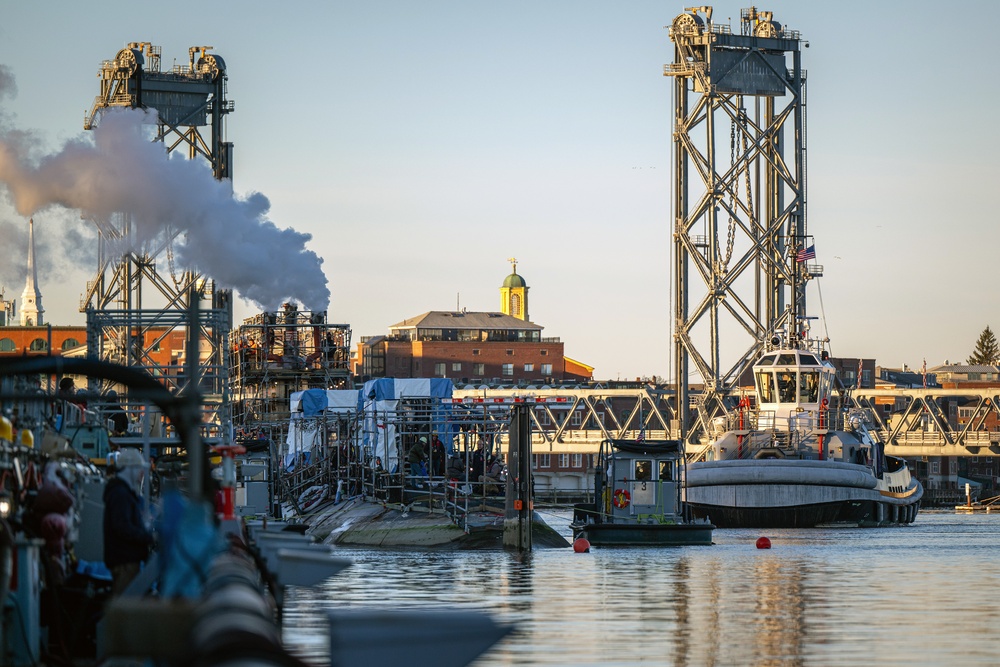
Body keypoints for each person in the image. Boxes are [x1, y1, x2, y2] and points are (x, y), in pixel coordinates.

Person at [103, 448, 155, 596]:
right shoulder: (120, 494)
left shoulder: (123, 492)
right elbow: (123, 527)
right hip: (125, 563)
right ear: (130, 469)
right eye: (139, 469)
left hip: (127, 561)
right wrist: (147, 537)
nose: (142, 473)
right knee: (125, 607)